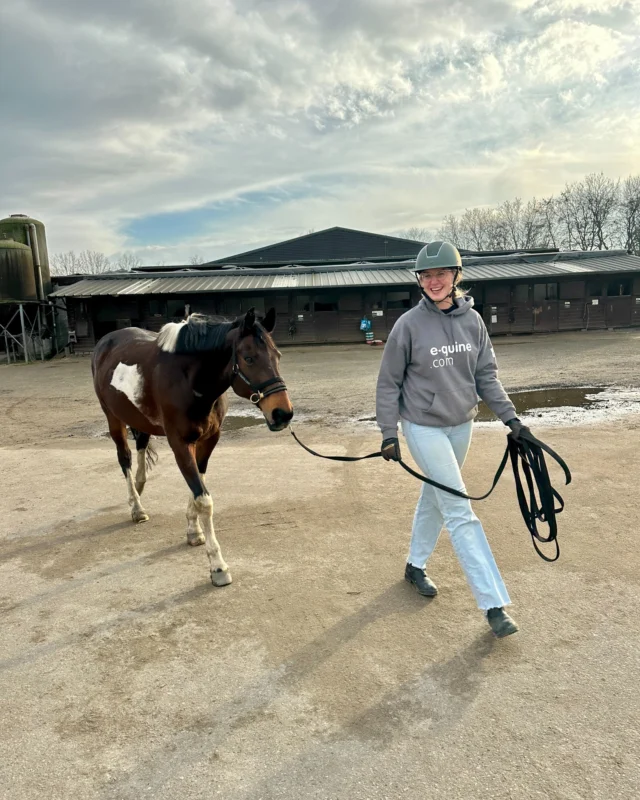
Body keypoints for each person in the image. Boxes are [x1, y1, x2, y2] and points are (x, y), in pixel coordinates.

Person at [375, 241, 529, 638]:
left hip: (461, 424)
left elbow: (486, 376)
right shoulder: (408, 325)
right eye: (426, 276)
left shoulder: (473, 321)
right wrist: (388, 432)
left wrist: (512, 418)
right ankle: (494, 604)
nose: (433, 281)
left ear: (456, 276)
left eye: (441, 274)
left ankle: (414, 565)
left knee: (436, 497)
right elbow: (388, 382)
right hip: (422, 425)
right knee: (459, 508)